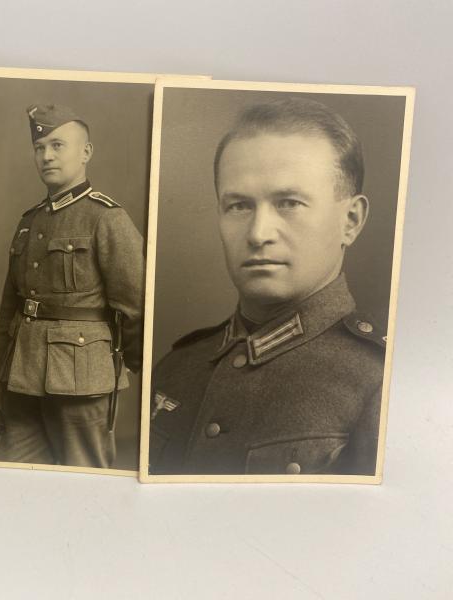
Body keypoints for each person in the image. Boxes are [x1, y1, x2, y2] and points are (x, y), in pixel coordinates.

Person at [149, 97, 385, 476]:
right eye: (239, 206)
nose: (259, 234)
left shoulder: (381, 384)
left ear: (351, 221)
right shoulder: (176, 367)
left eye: (289, 203)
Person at [0, 104, 144, 468]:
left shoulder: (107, 218)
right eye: (39, 148)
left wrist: (118, 368)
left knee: (85, 482)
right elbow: (9, 309)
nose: (46, 156)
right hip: (21, 380)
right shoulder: (29, 221)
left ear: (85, 152)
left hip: (83, 378)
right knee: (14, 479)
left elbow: (137, 305)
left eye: (57, 145)